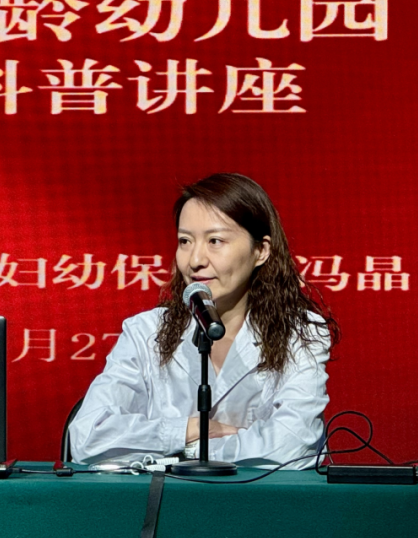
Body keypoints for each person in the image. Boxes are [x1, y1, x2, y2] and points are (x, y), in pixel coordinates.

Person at [68, 173, 338, 468]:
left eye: (215, 241)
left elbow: (292, 446)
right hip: (168, 495)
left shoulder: (299, 332)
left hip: (265, 497)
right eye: (185, 241)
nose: (195, 259)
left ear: (261, 251)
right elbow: (86, 437)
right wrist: (191, 430)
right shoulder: (145, 331)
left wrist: (189, 452)